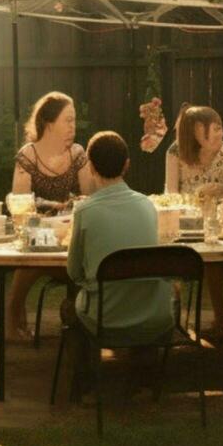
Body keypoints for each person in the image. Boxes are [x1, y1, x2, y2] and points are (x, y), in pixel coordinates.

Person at [65, 131, 174, 345]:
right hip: (155, 316)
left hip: (105, 319)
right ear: (127, 165)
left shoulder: (84, 211)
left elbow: (73, 272)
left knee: (68, 307)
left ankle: (84, 374)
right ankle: (142, 362)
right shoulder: (148, 205)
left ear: (91, 166)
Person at [5, 92, 96, 342]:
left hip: (70, 233)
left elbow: (89, 196)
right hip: (38, 232)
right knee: (30, 263)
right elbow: (20, 201)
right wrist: (53, 207)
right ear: (48, 123)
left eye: (74, 120)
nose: (73, 127)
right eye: (68, 120)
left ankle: (79, 316)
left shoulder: (77, 153)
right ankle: (14, 313)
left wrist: (73, 206)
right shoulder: (28, 155)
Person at [164, 105, 223, 344]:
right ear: (194, 133)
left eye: (220, 127)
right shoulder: (175, 152)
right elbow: (170, 195)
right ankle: (174, 321)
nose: (219, 133)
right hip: (186, 224)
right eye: (213, 129)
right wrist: (197, 198)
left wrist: (220, 203)